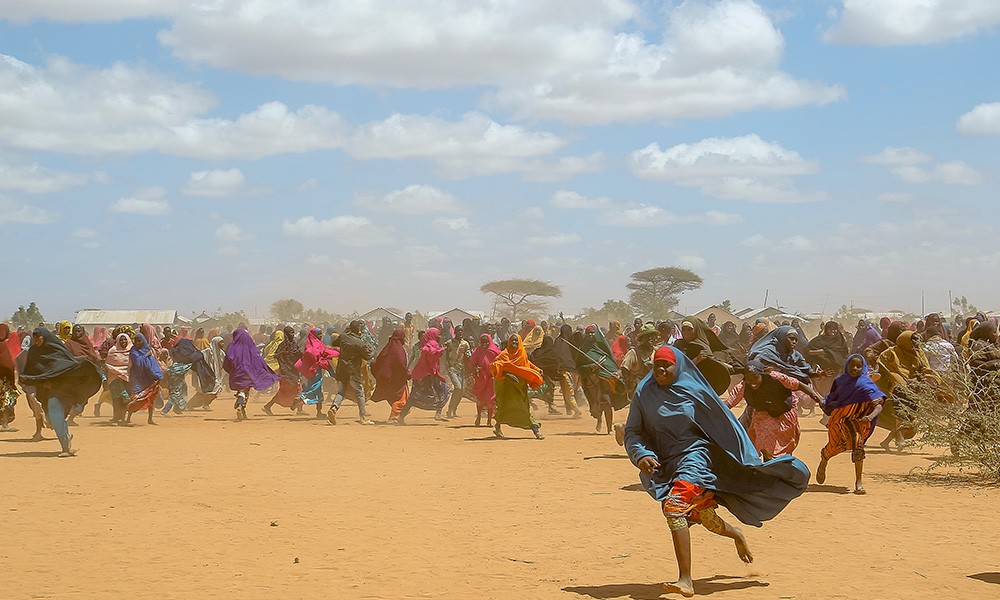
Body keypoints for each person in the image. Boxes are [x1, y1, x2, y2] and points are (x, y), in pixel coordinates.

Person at [623, 346, 809, 597]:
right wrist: (641, 454)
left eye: (667, 365)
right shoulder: (644, 394)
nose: (661, 370)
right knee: (699, 515)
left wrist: (747, 459)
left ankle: (685, 580)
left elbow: (726, 425)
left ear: (678, 366)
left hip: (697, 456)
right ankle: (736, 535)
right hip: (667, 463)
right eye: (657, 365)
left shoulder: (695, 391)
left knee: (675, 506)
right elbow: (633, 432)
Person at [20, 327, 102, 456]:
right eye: (34, 338)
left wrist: (55, 380)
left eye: (38, 337)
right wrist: (37, 382)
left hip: (63, 389)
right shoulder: (33, 352)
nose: (36, 340)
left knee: (56, 415)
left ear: (44, 337)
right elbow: (32, 371)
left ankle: (65, 447)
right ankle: (66, 439)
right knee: (52, 419)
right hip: (45, 391)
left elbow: (67, 365)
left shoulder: (57, 349)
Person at [816, 355, 885, 495]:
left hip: (857, 422)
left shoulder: (866, 384)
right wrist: (824, 402)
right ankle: (824, 459)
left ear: (863, 367)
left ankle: (858, 482)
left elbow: (878, 405)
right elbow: (831, 398)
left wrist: (870, 416)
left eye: (858, 366)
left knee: (858, 446)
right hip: (839, 421)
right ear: (847, 366)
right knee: (833, 447)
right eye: (852, 365)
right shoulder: (840, 381)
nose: (855, 368)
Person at [727, 360, 823, 459]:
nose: (752, 382)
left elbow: (799, 385)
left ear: (762, 374)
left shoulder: (777, 377)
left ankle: (782, 461)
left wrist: (819, 399)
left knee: (784, 442)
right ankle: (768, 460)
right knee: (763, 433)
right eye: (749, 379)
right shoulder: (743, 386)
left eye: (756, 378)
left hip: (784, 411)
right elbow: (729, 403)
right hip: (762, 412)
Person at [875, 331, 939, 450]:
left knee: (910, 415)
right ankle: (900, 440)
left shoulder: (919, 353)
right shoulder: (891, 353)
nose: (915, 346)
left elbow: (925, 368)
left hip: (914, 388)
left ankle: (886, 441)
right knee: (901, 413)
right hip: (898, 389)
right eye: (912, 343)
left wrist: (932, 380)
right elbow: (882, 368)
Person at [490, 334, 545, 440]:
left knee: (524, 408)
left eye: (516, 341)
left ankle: (535, 430)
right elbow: (495, 366)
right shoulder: (504, 354)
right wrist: (507, 374)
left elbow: (526, 364)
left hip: (520, 387)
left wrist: (537, 369)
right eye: (512, 341)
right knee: (503, 407)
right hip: (507, 387)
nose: (514, 343)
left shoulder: (522, 353)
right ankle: (498, 428)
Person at [577, 325, 628, 434]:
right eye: (588, 333)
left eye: (592, 333)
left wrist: (617, 374)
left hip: (605, 381)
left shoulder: (603, 348)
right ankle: (599, 419)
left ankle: (609, 428)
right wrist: (592, 366)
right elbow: (579, 368)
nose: (590, 335)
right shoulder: (582, 350)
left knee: (606, 402)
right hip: (590, 383)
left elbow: (611, 364)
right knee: (595, 406)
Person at [224, 327, 280, 421]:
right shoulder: (250, 346)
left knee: (241, 388)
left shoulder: (232, 346)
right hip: (248, 372)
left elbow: (227, 360)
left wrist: (230, 370)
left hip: (236, 372)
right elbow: (257, 359)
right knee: (246, 389)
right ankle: (242, 404)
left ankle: (241, 402)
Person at [328, 320, 375, 425]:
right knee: (360, 392)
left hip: (341, 370)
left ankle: (334, 408)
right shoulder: (360, 343)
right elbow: (367, 356)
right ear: (359, 330)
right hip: (353, 371)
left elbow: (333, 343)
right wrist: (371, 350)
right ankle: (363, 417)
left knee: (341, 392)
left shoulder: (344, 337)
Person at [399, 328, 450, 424]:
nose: (440, 336)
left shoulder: (433, 345)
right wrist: (442, 350)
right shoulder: (427, 347)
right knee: (415, 397)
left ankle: (438, 413)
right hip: (423, 376)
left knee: (443, 391)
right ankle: (401, 416)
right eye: (438, 334)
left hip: (429, 375)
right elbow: (431, 356)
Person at [295, 327, 339, 418]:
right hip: (314, 371)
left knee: (317, 391)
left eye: (321, 334)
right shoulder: (313, 345)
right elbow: (316, 355)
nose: (320, 336)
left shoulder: (313, 343)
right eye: (318, 334)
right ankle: (301, 399)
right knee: (316, 389)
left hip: (310, 371)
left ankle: (318, 411)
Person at [371, 328, 410, 423]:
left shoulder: (387, 348)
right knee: (402, 399)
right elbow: (401, 364)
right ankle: (393, 417)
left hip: (385, 378)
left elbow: (376, 362)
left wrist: (377, 373)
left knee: (392, 397)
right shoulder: (399, 350)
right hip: (395, 379)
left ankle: (397, 416)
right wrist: (408, 374)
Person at [263, 325, 304, 415]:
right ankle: (268, 406)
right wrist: (283, 353)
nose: (292, 334)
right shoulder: (282, 345)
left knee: (298, 389)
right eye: (290, 332)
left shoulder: (294, 344)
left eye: (293, 332)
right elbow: (276, 355)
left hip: (294, 370)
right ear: (286, 334)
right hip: (285, 371)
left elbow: (297, 354)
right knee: (288, 390)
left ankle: (299, 409)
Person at [127, 332, 162, 425]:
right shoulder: (133, 350)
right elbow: (137, 362)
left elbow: (153, 363)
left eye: (140, 341)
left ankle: (150, 419)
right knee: (136, 398)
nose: (138, 343)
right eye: (136, 341)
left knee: (151, 399)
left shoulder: (147, 349)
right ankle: (128, 418)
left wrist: (156, 374)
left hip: (149, 378)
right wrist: (146, 355)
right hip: (137, 378)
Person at [469, 333, 500, 426]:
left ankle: (489, 420)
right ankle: (478, 416)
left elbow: (501, 361)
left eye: (486, 342)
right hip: (481, 378)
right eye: (482, 342)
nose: (484, 344)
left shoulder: (495, 351)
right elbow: (472, 363)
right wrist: (475, 372)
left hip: (492, 378)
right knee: (480, 399)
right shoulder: (477, 351)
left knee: (490, 399)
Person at [553, 324, 584, 418]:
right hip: (575, 371)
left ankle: (577, 411)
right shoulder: (572, 341)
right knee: (570, 392)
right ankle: (570, 410)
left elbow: (556, 355)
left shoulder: (559, 341)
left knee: (568, 393)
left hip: (565, 371)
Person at [444, 325, 472, 418]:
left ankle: (453, 409)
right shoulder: (449, 343)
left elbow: (468, 353)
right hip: (452, 368)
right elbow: (444, 354)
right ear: (455, 332)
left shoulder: (465, 344)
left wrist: (468, 356)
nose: (460, 333)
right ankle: (450, 409)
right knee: (458, 387)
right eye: (458, 331)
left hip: (461, 369)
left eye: (461, 331)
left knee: (461, 391)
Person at [104, 332, 132, 425]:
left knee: (126, 400)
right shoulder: (113, 351)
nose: (123, 341)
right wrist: (118, 372)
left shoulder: (132, 350)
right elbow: (108, 364)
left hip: (128, 377)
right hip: (114, 378)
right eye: (121, 340)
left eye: (125, 340)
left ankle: (122, 418)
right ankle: (116, 418)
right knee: (116, 399)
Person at [0, 324, 21, 432]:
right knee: (6, 401)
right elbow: (7, 365)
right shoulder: (3, 345)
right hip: (4, 380)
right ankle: (4, 425)